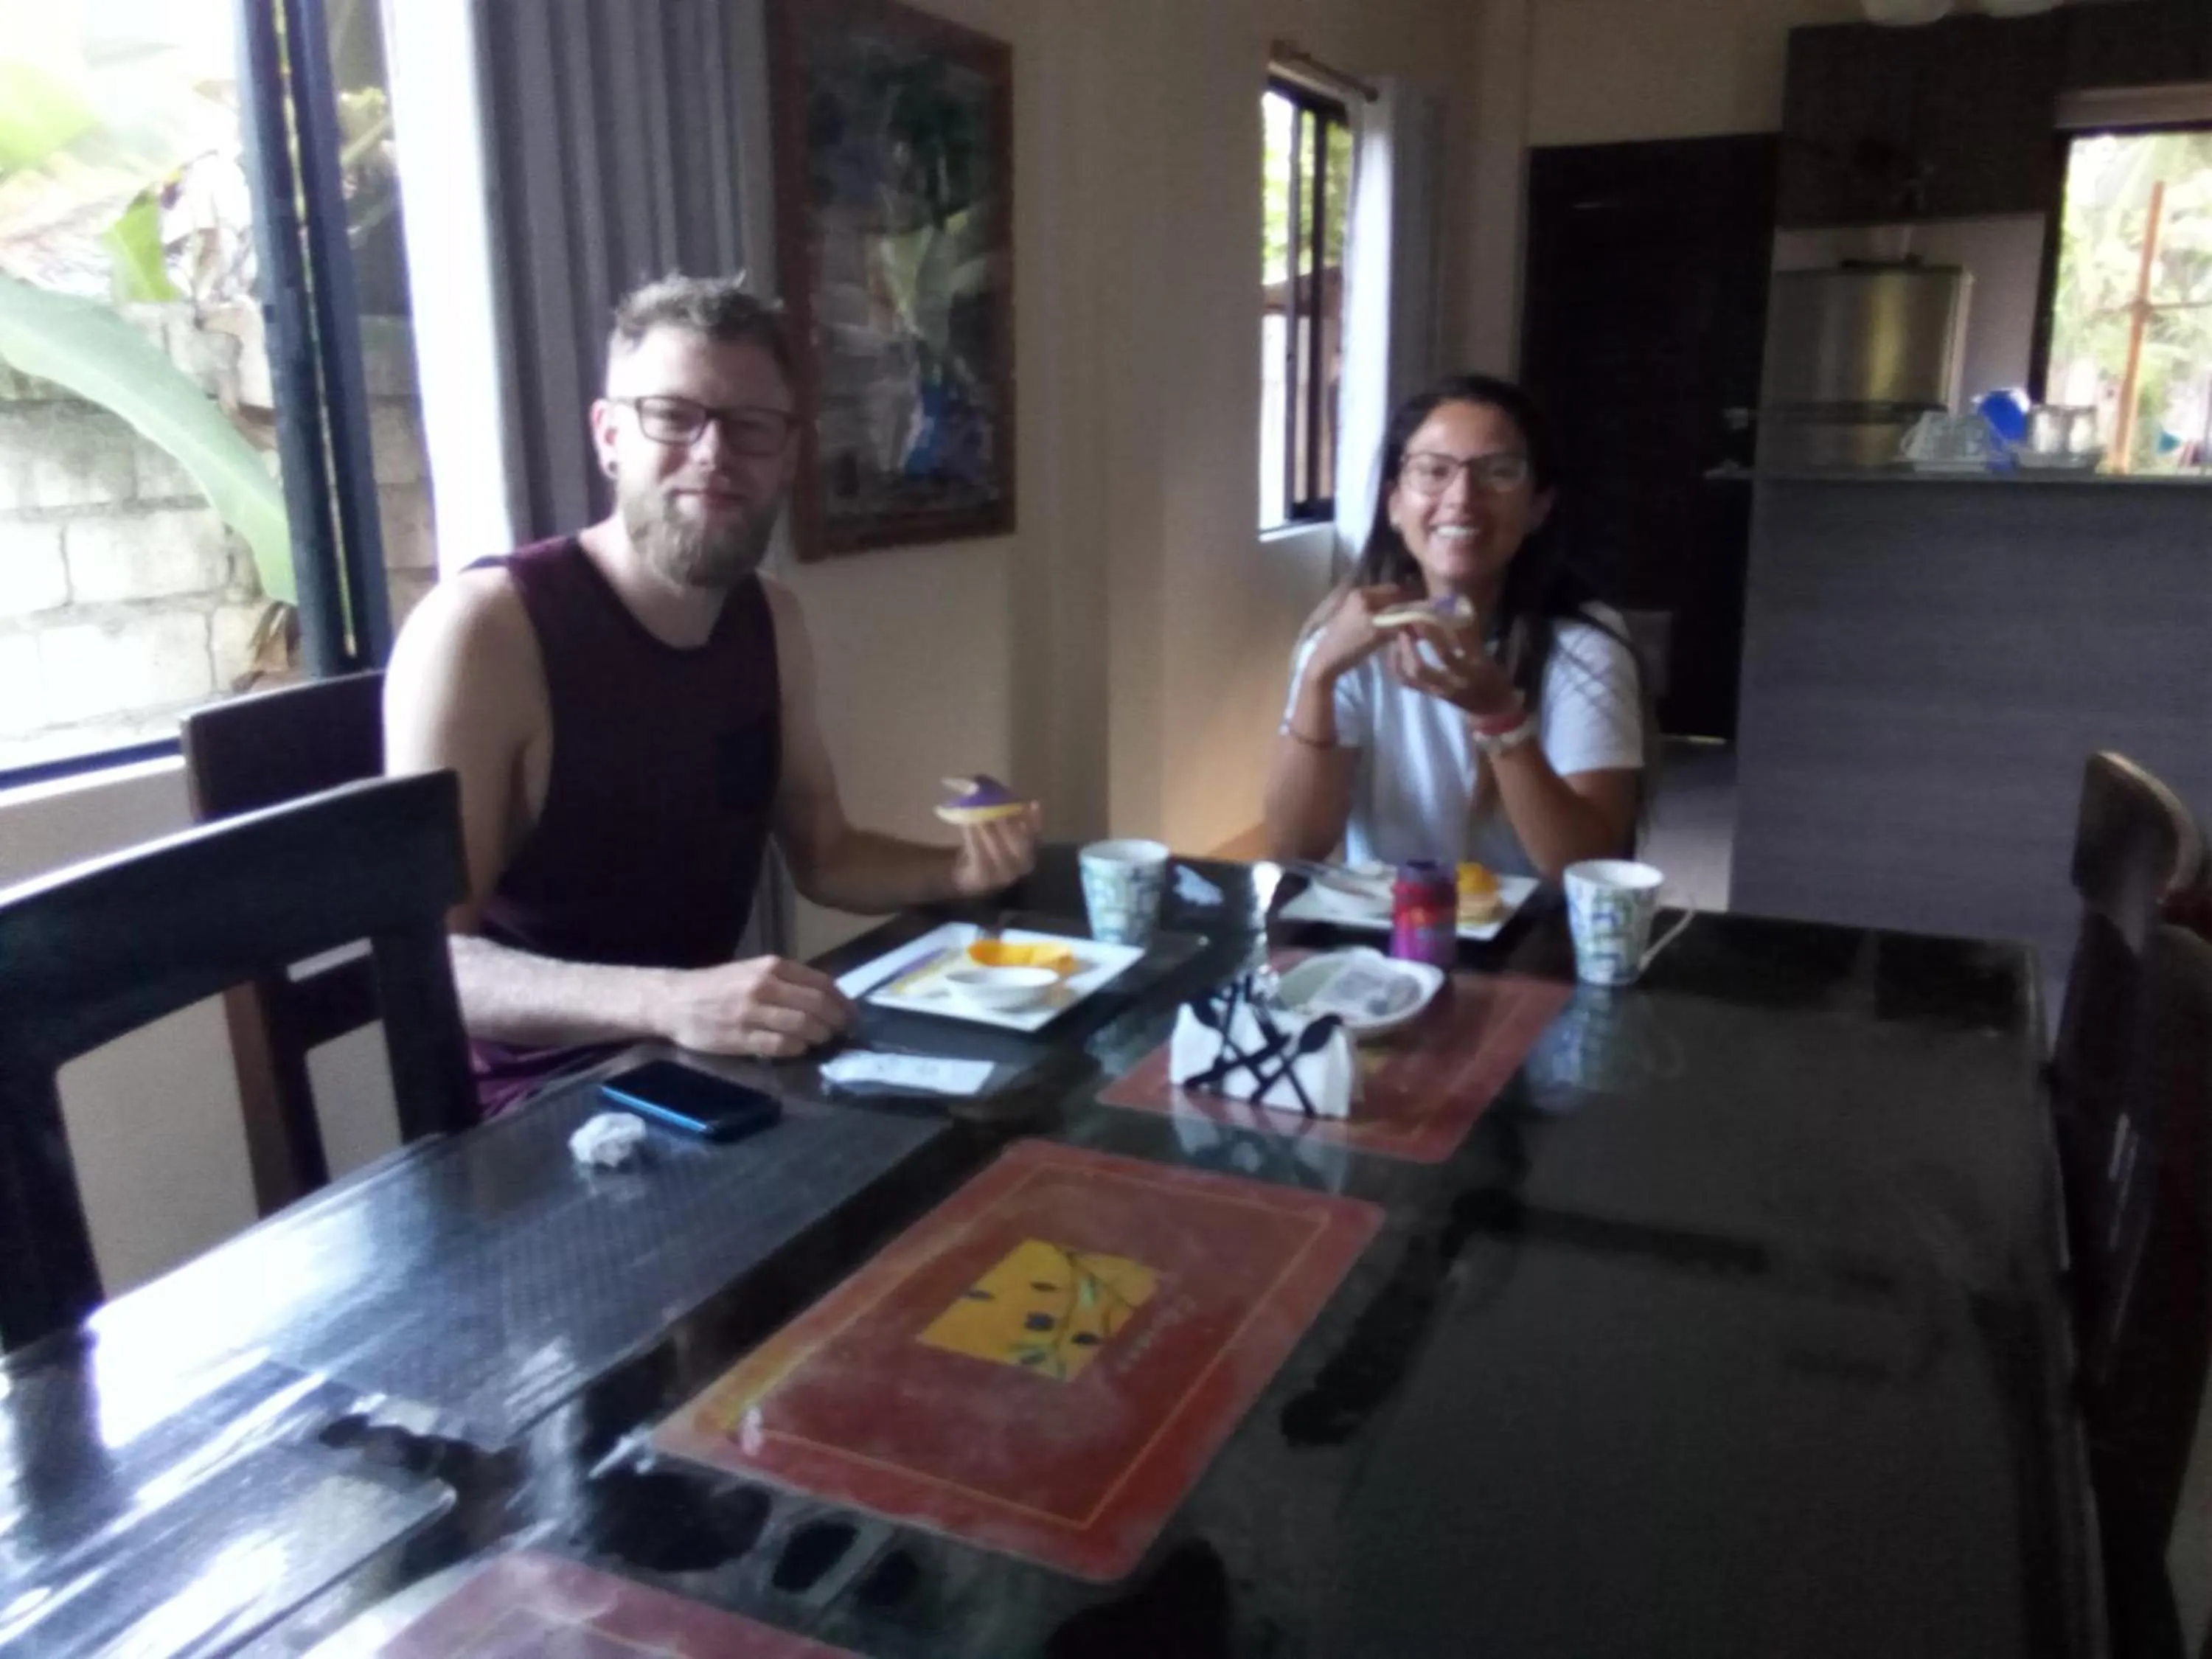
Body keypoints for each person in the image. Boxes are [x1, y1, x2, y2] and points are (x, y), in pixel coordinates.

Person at [384, 275, 1040, 1113]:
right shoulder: (483, 633)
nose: (714, 454)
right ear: (609, 434)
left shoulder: (773, 622)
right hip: (540, 1117)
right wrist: (669, 1001)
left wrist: (958, 870)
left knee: (993, 1145)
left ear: (788, 455)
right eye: (673, 415)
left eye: (751, 427)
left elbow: (826, 852)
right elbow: (427, 962)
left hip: (714, 1081)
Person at [1264, 374, 1644, 882]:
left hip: (1532, 939)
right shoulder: (1352, 642)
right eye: (1433, 471)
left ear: (1538, 507)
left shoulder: (1584, 646)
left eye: (1499, 473)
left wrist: (1500, 717)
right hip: (1388, 940)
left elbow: (1585, 869)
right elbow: (1295, 847)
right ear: (1395, 504)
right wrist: (1318, 678)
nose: (1462, 498)